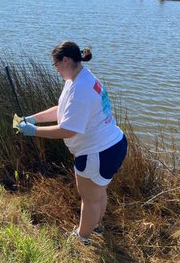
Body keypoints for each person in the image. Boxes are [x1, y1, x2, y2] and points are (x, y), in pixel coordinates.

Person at [16, 41, 128, 244]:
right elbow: (62, 110)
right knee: (98, 192)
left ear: (65, 60)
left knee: (90, 199)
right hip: (113, 144)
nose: (56, 70)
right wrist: (33, 118)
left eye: (56, 65)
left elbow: (68, 129)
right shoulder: (78, 78)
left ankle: (82, 239)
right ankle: (96, 227)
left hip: (98, 152)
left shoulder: (81, 90)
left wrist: (34, 132)